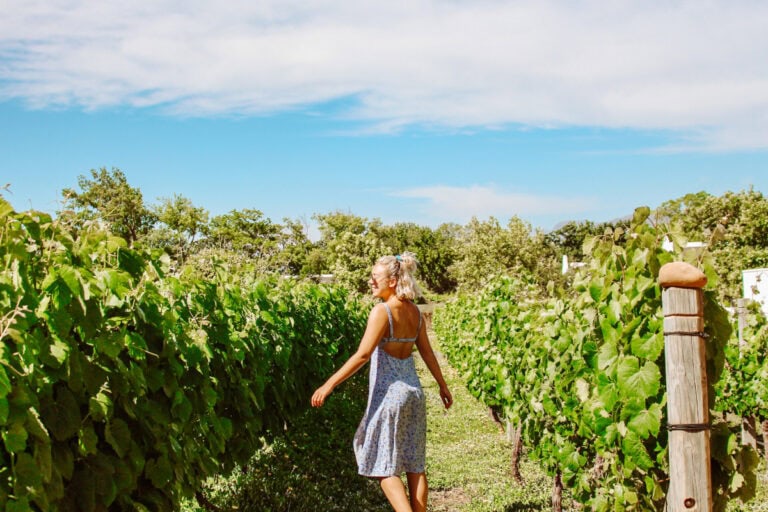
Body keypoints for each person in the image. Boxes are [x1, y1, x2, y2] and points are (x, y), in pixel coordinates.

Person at [311, 252, 453, 512]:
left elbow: (363, 355)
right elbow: (427, 353)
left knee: (381, 462)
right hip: (415, 394)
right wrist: (442, 385)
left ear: (392, 281)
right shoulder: (415, 312)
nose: (370, 282)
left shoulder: (382, 311)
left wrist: (329, 384)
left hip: (390, 397)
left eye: (375, 277)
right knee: (415, 464)